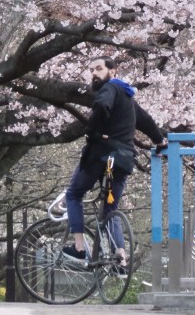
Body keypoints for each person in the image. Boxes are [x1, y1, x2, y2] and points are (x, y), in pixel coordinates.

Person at [62, 56, 167, 266]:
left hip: (103, 157)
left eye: (99, 69)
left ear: (113, 71)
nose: (94, 73)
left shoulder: (109, 88)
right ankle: (120, 258)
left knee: (74, 194)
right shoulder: (127, 96)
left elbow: (101, 106)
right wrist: (159, 141)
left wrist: (93, 134)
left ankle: (79, 248)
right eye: (91, 70)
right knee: (110, 208)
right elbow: (145, 121)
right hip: (121, 161)